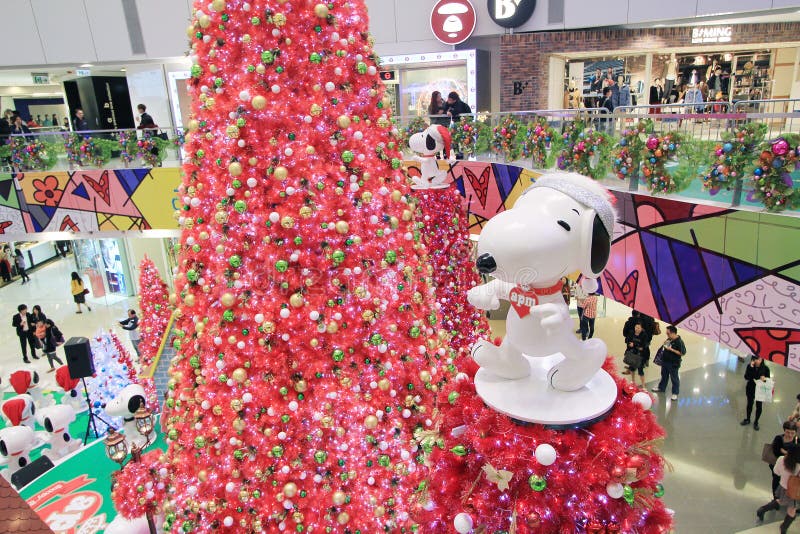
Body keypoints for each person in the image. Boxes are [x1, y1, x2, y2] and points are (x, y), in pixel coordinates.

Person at [757, 446, 800, 531]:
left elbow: (776, 471)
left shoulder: (781, 459)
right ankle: (783, 527)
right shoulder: (798, 466)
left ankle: (762, 510)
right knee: (792, 510)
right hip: (792, 491)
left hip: (782, 487)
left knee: (780, 501)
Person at [652, 325, 686, 400]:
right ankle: (661, 388)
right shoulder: (669, 339)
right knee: (664, 376)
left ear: (673, 333)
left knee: (674, 378)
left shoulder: (679, 342)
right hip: (665, 362)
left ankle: (675, 393)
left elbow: (682, 353)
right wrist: (665, 344)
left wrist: (671, 350)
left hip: (673, 363)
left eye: (668, 333)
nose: (667, 335)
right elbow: (666, 346)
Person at [741, 354, 771, 430]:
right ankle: (748, 419)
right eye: (755, 359)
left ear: (762, 360)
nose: (757, 361)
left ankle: (756, 422)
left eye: (759, 359)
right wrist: (751, 368)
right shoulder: (749, 366)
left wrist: (764, 379)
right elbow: (746, 377)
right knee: (749, 404)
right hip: (750, 388)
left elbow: (768, 381)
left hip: (760, 390)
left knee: (759, 406)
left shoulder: (766, 369)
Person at [769, 422, 798, 497]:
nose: (790, 435)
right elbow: (776, 452)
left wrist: (784, 452)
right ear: (784, 430)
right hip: (778, 465)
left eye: (792, 433)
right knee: (776, 481)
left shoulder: (797, 440)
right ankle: (775, 497)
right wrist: (790, 454)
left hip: (791, 467)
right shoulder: (778, 438)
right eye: (787, 432)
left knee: (788, 482)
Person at [624, 321, 649, 387]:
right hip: (632, 353)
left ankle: (643, 384)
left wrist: (634, 344)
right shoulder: (632, 333)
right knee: (632, 368)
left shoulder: (644, 335)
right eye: (636, 327)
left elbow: (643, 346)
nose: (636, 329)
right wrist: (632, 344)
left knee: (640, 370)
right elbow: (627, 341)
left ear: (641, 328)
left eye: (638, 328)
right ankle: (633, 381)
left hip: (640, 355)